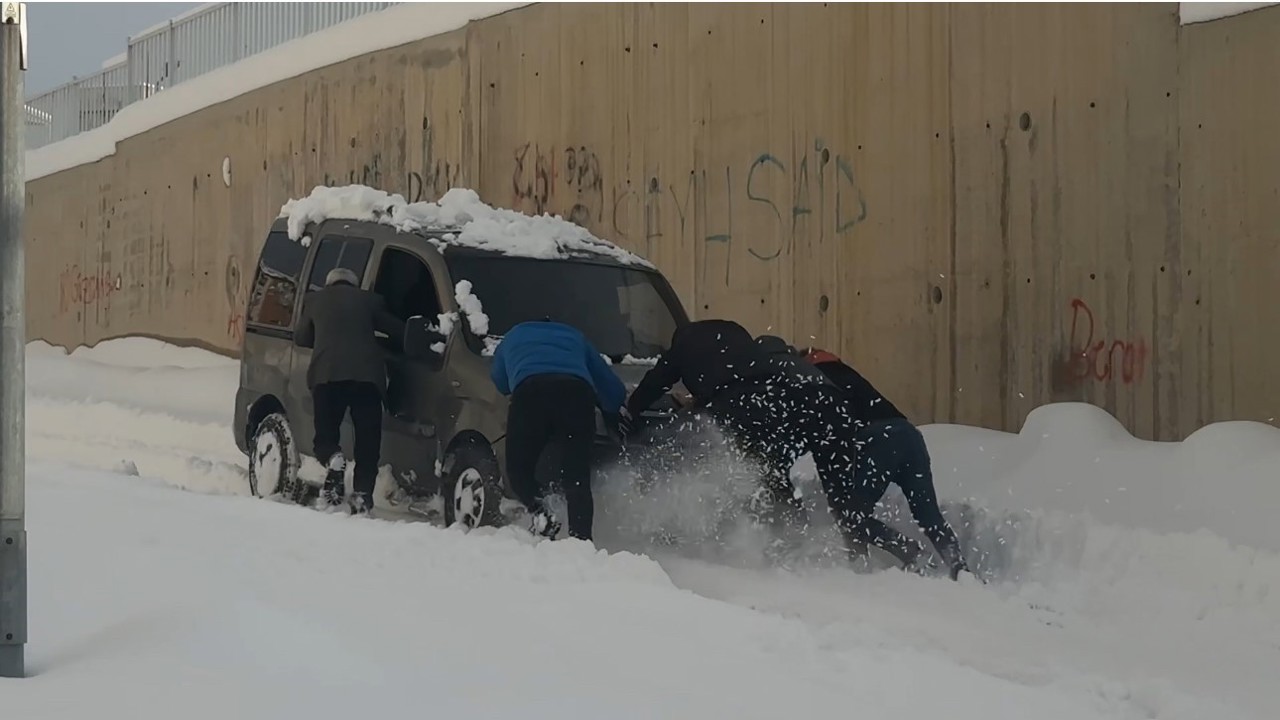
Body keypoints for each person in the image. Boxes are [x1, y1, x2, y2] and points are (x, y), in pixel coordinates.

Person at [801, 346, 972, 580]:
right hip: (910, 436)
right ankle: (960, 569)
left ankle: (905, 552)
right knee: (928, 515)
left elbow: (829, 443)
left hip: (879, 440)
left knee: (852, 515)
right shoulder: (849, 375)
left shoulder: (819, 384)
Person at [490, 319, 626, 542]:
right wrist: (612, 411)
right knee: (577, 477)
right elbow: (611, 387)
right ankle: (581, 541)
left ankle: (544, 514)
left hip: (531, 394)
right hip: (576, 396)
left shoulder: (513, 336)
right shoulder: (575, 336)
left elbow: (499, 380)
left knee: (518, 470)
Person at [294, 267, 406, 515]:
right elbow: (398, 331)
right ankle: (362, 498)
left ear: (329, 283)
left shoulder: (315, 300)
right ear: (354, 285)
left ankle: (334, 460)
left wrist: (325, 336)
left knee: (325, 436)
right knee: (368, 442)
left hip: (327, 375)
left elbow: (301, 337)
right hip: (366, 379)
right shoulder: (370, 301)